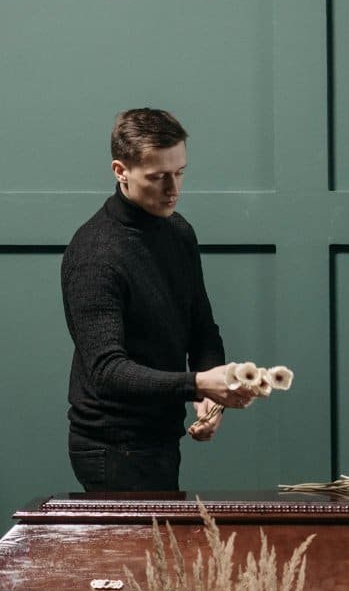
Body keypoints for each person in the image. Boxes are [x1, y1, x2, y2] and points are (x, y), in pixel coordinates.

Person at [61, 108, 254, 491]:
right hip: (110, 446)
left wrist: (209, 396)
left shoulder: (178, 232)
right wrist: (197, 383)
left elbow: (202, 327)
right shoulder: (94, 254)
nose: (173, 188)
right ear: (120, 171)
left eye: (180, 172)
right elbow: (107, 371)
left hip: (161, 437)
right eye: (157, 176)